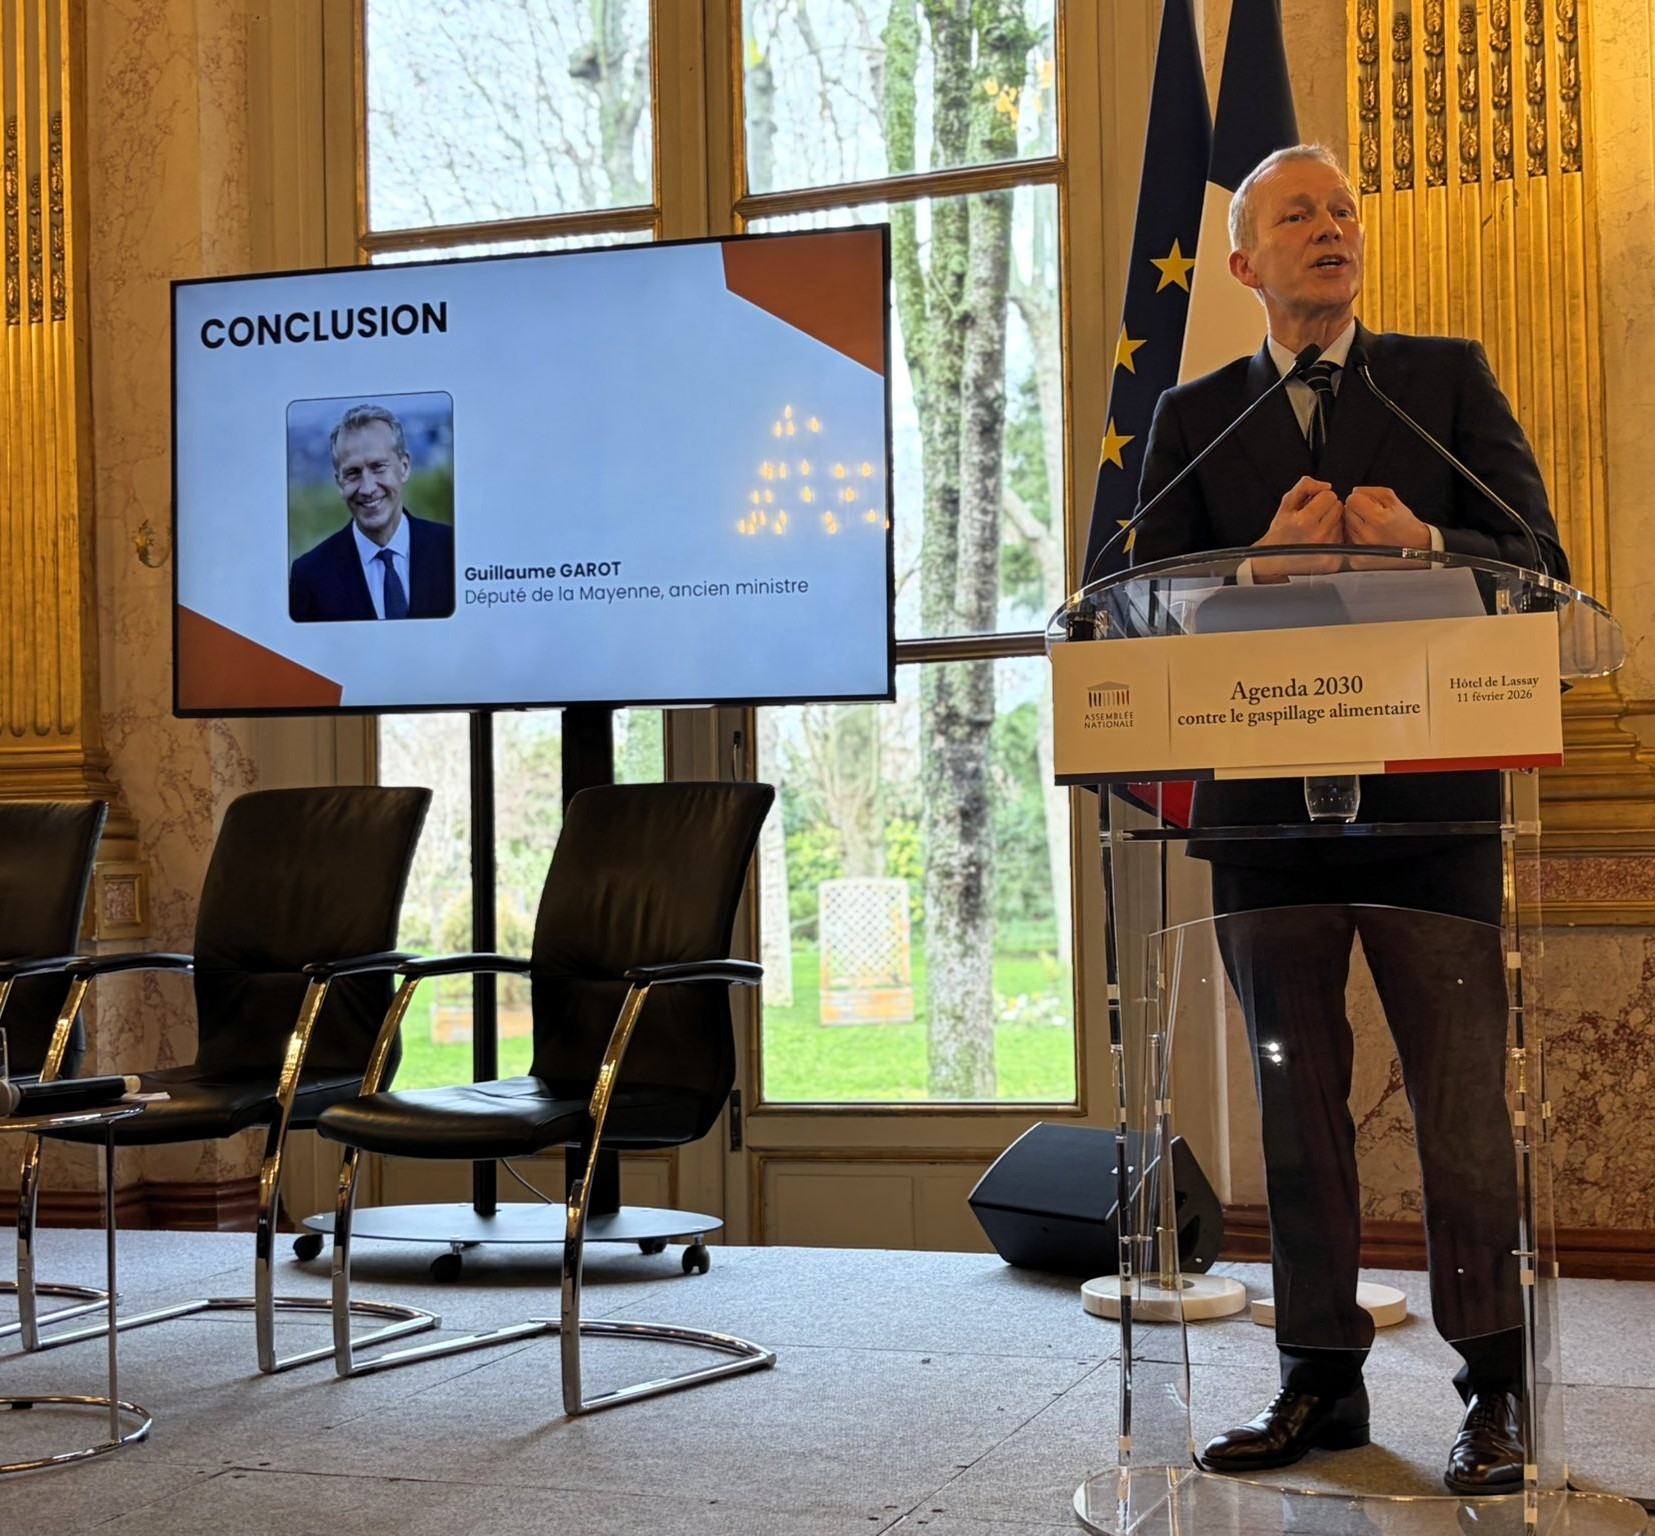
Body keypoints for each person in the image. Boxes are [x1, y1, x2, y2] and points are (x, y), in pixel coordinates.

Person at [1129, 145, 1567, 1496]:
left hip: (1434, 807)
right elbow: (1128, 594)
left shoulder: (1440, 382)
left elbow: (1539, 564)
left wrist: (1423, 546)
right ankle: (1316, 1379)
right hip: (1266, 818)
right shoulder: (1195, 418)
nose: (1328, 229)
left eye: (1341, 210)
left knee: (1460, 1111)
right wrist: (1250, 567)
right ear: (1244, 263)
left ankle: (1493, 1386)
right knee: (1293, 1105)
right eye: (1295, 216)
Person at [289, 403, 455, 622]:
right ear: (339, 483)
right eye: (353, 473)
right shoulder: (309, 576)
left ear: (404, 467)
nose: (367, 488)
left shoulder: (452, 549)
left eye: (378, 467)